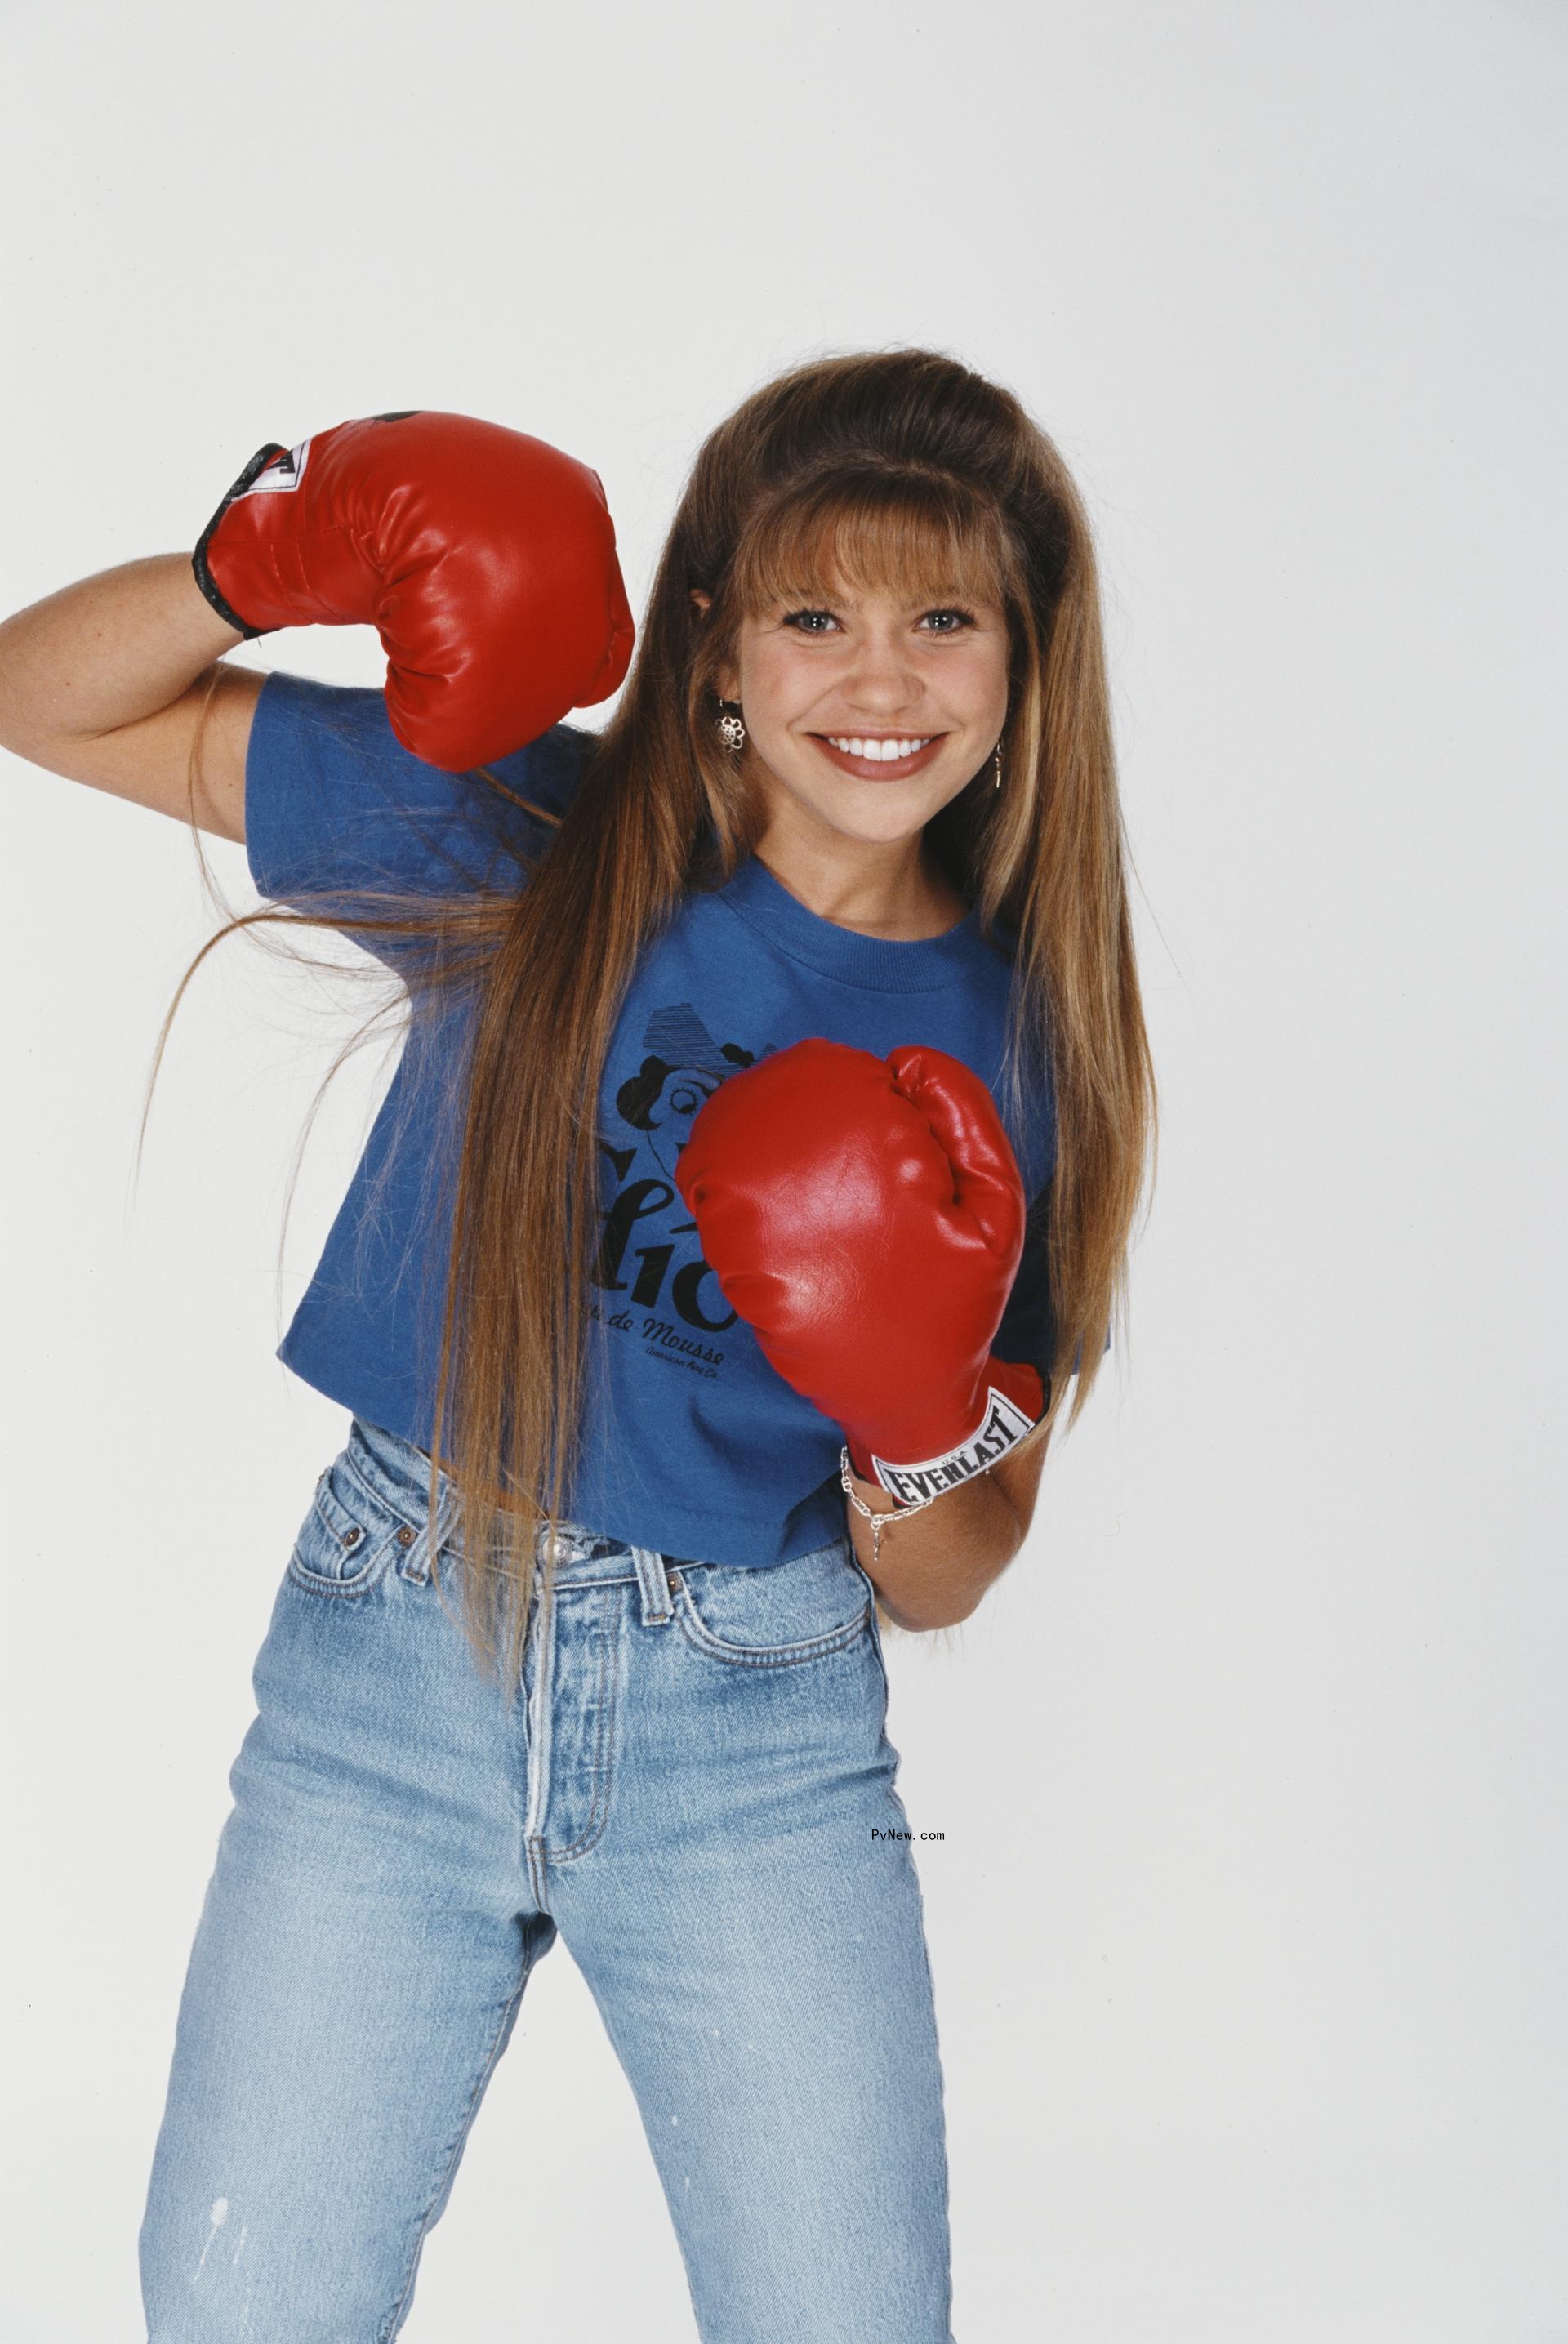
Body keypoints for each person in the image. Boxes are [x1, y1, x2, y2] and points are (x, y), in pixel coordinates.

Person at [0, 351, 1155, 2342]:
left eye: (942, 616)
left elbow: (956, 1560)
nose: (880, 680)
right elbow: (41, 692)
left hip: (757, 1727)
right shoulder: (530, 840)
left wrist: (918, 1411)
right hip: (399, 1655)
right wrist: (271, 552)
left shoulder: (1025, 1049)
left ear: (1027, 657)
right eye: (817, 612)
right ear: (710, 635)